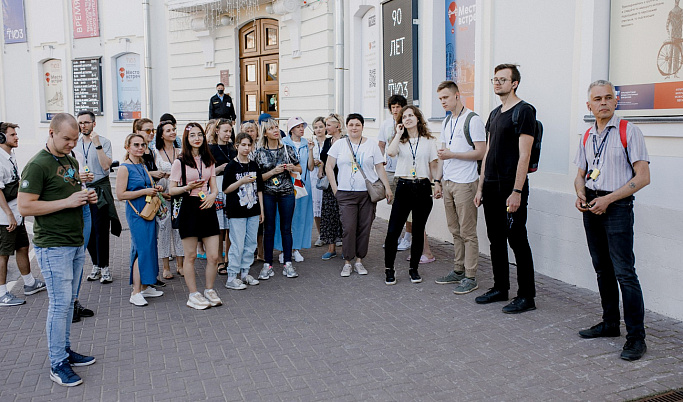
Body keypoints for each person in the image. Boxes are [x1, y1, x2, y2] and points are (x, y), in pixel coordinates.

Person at [18, 113, 98, 386]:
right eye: (66, 138)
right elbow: (26, 207)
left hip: (74, 241)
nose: (72, 144)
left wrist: (87, 196)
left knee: (69, 303)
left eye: (75, 139)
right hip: (53, 245)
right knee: (60, 304)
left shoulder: (70, 159)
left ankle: (64, 351)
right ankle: (57, 363)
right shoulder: (36, 165)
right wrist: (68, 202)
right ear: (51, 132)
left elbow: (71, 194)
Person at [574, 80, 651, 361]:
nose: (603, 102)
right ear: (589, 105)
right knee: (602, 269)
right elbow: (580, 174)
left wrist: (609, 200)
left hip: (616, 207)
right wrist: (581, 193)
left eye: (608, 97)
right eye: (598, 99)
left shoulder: (628, 131)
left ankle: (636, 337)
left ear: (615, 101)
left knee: (624, 273)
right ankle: (609, 324)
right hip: (592, 205)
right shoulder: (586, 136)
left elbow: (643, 177)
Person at [474, 64, 537, 314]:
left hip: (511, 188)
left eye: (503, 79)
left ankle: (527, 296)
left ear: (515, 83)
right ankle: (501, 287)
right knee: (495, 240)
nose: (497, 83)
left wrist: (517, 191)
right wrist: (480, 187)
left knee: (517, 240)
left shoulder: (524, 111)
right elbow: (487, 153)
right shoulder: (494, 114)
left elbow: (525, 155)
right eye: (495, 79)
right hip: (490, 187)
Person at [434, 81, 486, 294]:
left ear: (457, 95)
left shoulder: (472, 120)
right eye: (440, 99)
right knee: (454, 230)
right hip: (448, 182)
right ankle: (458, 269)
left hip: (466, 182)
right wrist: (437, 181)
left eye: (445, 97)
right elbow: (442, 156)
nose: (443, 102)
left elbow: (481, 153)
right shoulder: (447, 122)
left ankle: (471, 275)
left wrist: (453, 155)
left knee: (468, 232)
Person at [326, 113, 392, 277]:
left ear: (362, 127)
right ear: (346, 127)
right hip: (346, 194)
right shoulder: (339, 144)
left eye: (357, 125)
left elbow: (379, 168)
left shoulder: (371, 145)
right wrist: (335, 189)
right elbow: (329, 166)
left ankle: (359, 261)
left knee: (364, 228)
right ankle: (348, 261)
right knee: (348, 228)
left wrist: (388, 188)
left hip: (366, 194)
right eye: (351, 125)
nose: (354, 128)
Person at [169, 123, 223, 310]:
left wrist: (212, 195)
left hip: (207, 205)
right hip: (189, 206)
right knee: (190, 256)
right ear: (186, 139)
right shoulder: (180, 162)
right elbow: (172, 189)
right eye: (192, 135)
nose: (197, 138)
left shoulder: (208, 159)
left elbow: (213, 184)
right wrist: (187, 187)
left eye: (199, 134)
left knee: (214, 255)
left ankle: (209, 290)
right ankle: (193, 294)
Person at [383, 107, 438, 284]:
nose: (407, 119)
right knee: (393, 230)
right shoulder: (400, 140)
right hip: (404, 186)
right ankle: (389, 269)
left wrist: (436, 182)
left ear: (418, 118)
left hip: (422, 186)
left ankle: (414, 269)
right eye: (404, 116)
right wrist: (398, 134)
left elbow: (433, 164)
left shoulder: (428, 141)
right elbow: (390, 153)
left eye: (411, 115)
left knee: (418, 230)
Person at [0, 122, 46, 307]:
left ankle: (29, 283)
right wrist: (9, 215)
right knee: (2, 254)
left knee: (22, 246)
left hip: (16, 212)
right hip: (5, 216)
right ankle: (2, 293)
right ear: (1, 138)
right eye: (12, 135)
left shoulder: (10, 155)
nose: (16, 137)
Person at [116, 134, 164, 306]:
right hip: (137, 212)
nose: (140, 148)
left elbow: (147, 186)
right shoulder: (124, 168)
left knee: (149, 247)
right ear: (127, 147)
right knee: (141, 250)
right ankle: (136, 291)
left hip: (147, 210)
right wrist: (144, 192)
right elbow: (121, 194)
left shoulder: (142, 165)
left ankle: (145, 286)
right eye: (135, 145)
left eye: (142, 145)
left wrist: (154, 188)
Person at [254, 118, 301, 279]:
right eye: (271, 128)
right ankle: (268, 264)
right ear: (265, 133)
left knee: (286, 228)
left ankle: (288, 262)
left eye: (276, 127)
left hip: (287, 192)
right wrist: (273, 172)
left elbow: (299, 168)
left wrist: (291, 168)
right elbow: (257, 178)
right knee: (269, 229)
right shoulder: (259, 152)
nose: (275, 130)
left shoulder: (288, 149)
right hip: (268, 193)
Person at [78, 111, 121, 285]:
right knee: (88, 230)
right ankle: (96, 264)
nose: (83, 126)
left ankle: (105, 267)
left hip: (99, 189)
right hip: (82, 190)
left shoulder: (104, 142)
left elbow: (105, 166)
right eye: (80, 123)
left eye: (86, 123)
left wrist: (97, 145)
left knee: (101, 229)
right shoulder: (75, 144)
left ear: (94, 124)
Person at [222, 133, 264, 289]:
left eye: (249, 145)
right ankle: (232, 276)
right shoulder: (231, 166)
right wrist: (241, 181)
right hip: (237, 212)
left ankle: (245, 273)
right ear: (237, 146)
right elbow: (226, 189)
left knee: (250, 243)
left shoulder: (254, 165)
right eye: (243, 145)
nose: (247, 148)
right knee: (237, 244)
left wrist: (261, 210)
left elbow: (259, 189)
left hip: (253, 209)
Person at [275, 117, 314, 263]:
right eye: (298, 127)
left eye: (303, 126)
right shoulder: (283, 144)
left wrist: (311, 150)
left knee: (300, 216)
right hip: (286, 184)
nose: (301, 129)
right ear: (291, 129)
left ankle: (296, 248)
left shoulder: (306, 144)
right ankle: (283, 249)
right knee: (284, 216)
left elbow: (310, 167)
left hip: (303, 185)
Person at [378, 95, 412, 251]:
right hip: (391, 170)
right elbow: (381, 144)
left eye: (399, 106)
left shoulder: (409, 123)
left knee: (408, 206)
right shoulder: (385, 124)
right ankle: (395, 236)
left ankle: (408, 237)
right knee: (394, 206)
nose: (396, 110)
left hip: (406, 170)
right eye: (393, 107)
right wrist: (380, 159)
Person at [135, 118, 167, 287]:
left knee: (152, 240)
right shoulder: (135, 153)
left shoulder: (151, 151)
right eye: (147, 131)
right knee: (140, 244)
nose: (151, 133)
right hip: (141, 201)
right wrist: (153, 174)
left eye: (152, 130)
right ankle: (138, 283)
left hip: (152, 196)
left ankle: (150, 278)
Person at [154, 120, 185, 279]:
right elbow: (153, 175)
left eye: (173, 129)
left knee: (179, 230)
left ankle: (181, 265)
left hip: (179, 196)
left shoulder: (181, 151)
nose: (172, 132)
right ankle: (166, 267)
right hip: (163, 195)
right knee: (165, 230)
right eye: (168, 130)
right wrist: (161, 193)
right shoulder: (155, 152)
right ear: (161, 134)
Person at [208, 119, 237, 275]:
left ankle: (229, 258)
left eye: (230, 131)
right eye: (225, 131)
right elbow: (206, 171)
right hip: (217, 186)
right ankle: (220, 260)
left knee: (231, 227)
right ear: (217, 131)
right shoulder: (210, 149)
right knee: (219, 227)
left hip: (232, 188)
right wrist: (220, 168)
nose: (228, 134)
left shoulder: (233, 148)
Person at [70, 143, 95, 322]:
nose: (71, 142)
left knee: (79, 257)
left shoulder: (77, 154)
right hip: (68, 211)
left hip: (84, 207)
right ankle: (67, 306)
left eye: (73, 138)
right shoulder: (47, 159)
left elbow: (84, 179)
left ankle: (74, 300)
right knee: (69, 260)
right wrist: (79, 178)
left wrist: (87, 178)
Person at [318, 114, 345, 260]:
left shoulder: (346, 141)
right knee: (329, 215)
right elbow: (324, 158)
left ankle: (346, 247)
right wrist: (321, 169)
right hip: (329, 182)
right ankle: (331, 248)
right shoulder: (328, 141)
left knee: (345, 215)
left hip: (344, 181)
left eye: (328, 125)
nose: (326, 127)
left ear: (337, 126)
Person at [310, 117, 327, 246]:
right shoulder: (311, 143)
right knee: (317, 208)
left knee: (329, 207)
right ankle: (321, 234)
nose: (318, 129)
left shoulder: (330, 142)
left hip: (328, 176)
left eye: (320, 126)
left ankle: (333, 235)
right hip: (314, 177)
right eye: (316, 127)